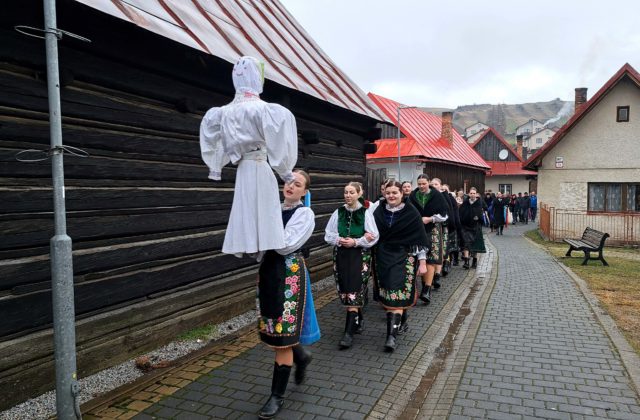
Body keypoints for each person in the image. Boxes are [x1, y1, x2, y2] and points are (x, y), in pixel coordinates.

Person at [200, 56, 298, 259]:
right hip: (261, 165)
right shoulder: (266, 110)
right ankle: (261, 244)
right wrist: (286, 172)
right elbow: (280, 142)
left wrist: (216, 166)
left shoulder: (222, 113)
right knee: (263, 209)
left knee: (246, 208)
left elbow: (213, 141)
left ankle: (252, 245)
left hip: (243, 168)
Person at [257, 170, 320, 419]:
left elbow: (285, 245)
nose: (290, 186)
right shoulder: (276, 209)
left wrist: (265, 227)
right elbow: (261, 248)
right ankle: (301, 356)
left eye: (297, 184)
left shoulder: (304, 214)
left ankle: (276, 396)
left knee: (282, 335)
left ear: (305, 191)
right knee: (273, 327)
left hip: (289, 274)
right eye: (288, 182)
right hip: (269, 272)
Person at [372, 181, 429, 352]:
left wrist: (423, 262)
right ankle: (401, 319)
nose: (391, 196)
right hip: (382, 257)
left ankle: (390, 337)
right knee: (389, 293)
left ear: (401, 194)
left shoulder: (411, 212)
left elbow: (419, 238)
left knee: (397, 294)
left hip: (405, 257)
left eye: (394, 192)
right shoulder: (378, 211)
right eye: (388, 192)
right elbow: (372, 233)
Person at [324, 182, 378, 350]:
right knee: (346, 288)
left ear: (358, 194)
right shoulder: (338, 212)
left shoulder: (365, 213)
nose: (348, 195)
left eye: (351, 192)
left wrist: (356, 241)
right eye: (346, 192)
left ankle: (348, 332)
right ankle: (358, 318)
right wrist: (339, 240)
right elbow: (328, 234)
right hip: (341, 254)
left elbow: (374, 236)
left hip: (359, 255)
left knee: (355, 287)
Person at [408, 174, 449, 303]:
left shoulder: (437, 195)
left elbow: (445, 215)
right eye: (419, 184)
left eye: (423, 183)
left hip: (432, 228)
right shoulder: (413, 196)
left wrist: (430, 218)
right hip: (416, 230)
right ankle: (421, 285)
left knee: (430, 259)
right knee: (419, 257)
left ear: (429, 182)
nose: (421, 186)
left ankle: (427, 289)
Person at [459, 187, 486, 269]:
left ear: (476, 194)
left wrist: (478, 217)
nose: (472, 195)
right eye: (471, 193)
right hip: (466, 226)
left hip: (476, 226)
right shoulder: (465, 203)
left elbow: (481, 213)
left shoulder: (479, 203)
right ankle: (466, 262)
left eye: (474, 193)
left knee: (475, 245)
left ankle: (474, 260)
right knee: (466, 243)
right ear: (468, 194)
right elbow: (461, 212)